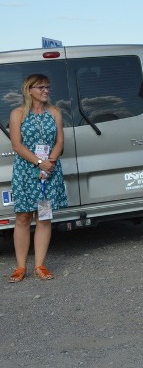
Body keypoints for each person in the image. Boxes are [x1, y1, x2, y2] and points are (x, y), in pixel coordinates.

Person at [8, 74, 68, 282]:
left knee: (44, 216)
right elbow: (16, 145)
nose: (45, 90)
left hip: (48, 171)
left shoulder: (54, 112)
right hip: (26, 171)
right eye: (40, 87)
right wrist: (38, 162)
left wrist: (50, 161)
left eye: (47, 87)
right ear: (29, 90)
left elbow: (60, 141)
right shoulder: (17, 114)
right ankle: (20, 267)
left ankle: (40, 265)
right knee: (23, 217)